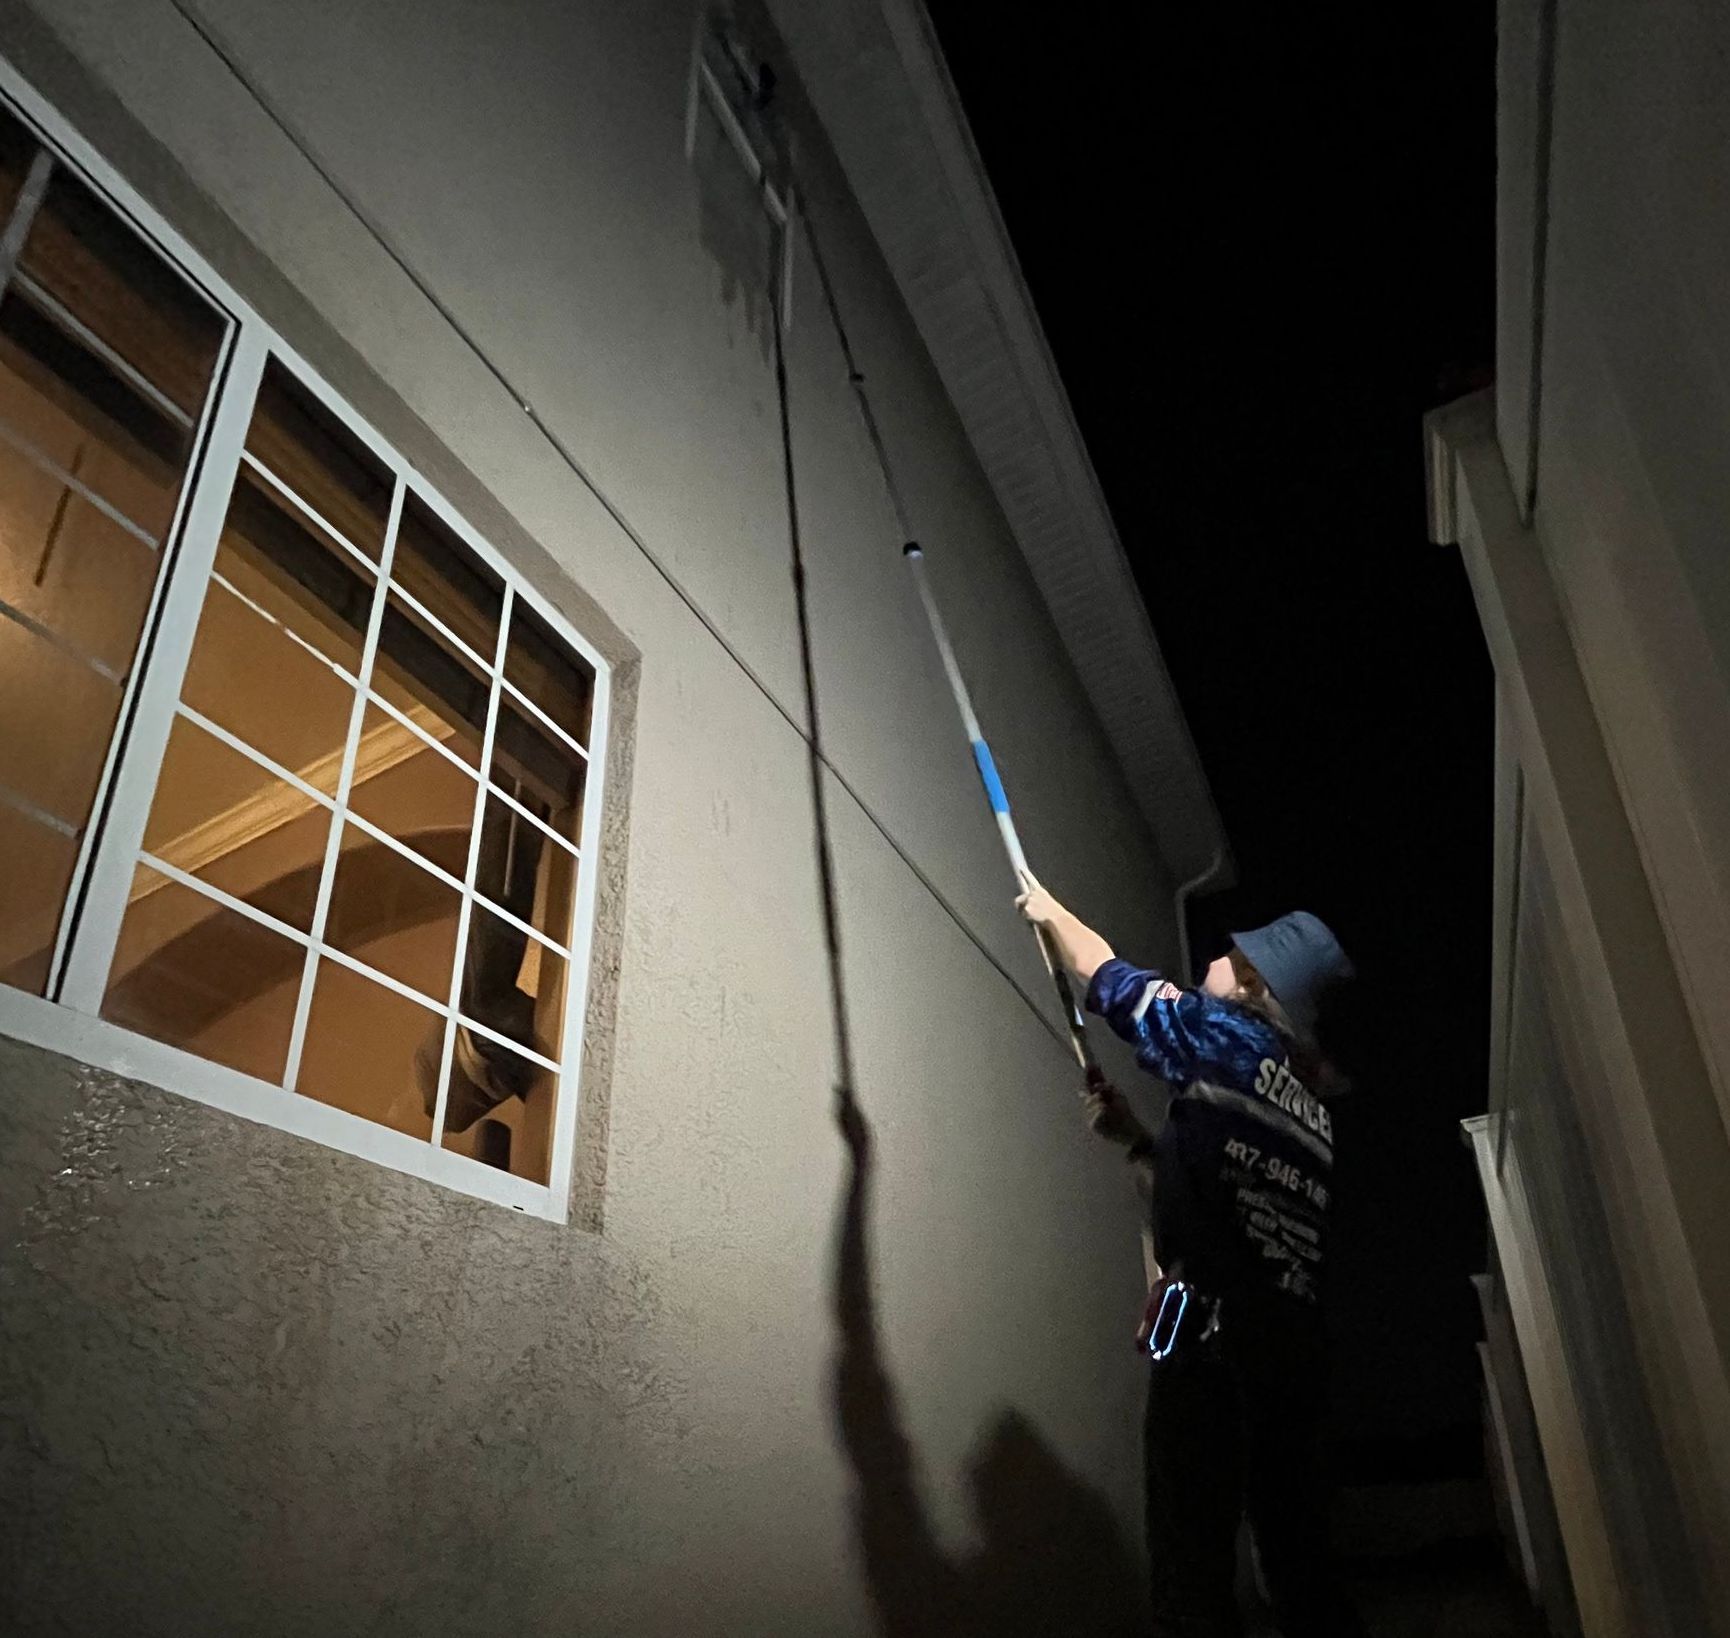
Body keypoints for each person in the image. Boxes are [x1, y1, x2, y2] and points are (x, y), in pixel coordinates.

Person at [1018, 880, 1365, 1638]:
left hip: (1213, 1354)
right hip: (1294, 1365)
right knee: (1301, 1569)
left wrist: (1050, 910)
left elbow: (1109, 977)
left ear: (1254, 986)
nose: (1215, 956)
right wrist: (1138, 1141)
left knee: (1191, 1578)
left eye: (1233, 955)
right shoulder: (1311, 1113)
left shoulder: (1225, 1039)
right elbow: (1219, 1201)